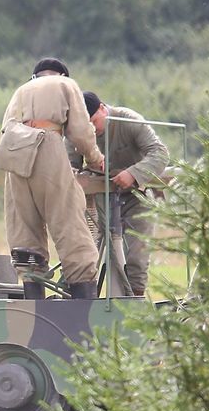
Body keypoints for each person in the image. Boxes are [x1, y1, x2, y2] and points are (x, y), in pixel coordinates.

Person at [0, 58, 105, 299]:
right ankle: (84, 306)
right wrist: (96, 159)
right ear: (61, 75)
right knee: (69, 222)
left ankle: (34, 305)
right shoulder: (66, 85)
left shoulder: (21, 91)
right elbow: (80, 131)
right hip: (47, 146)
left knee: (24, 231)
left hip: (13, 154)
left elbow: (5, 128)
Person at [73, 92, 170, 297]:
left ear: (102, 108)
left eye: (94, 122)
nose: (93, 129)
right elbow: (68, 166)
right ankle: (84, 300)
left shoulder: (128, 120)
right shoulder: (77, 132)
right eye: (86, 126)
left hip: (138, 196)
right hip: (101, 199)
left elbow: (160, 153)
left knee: (136, 255)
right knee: (88, 255)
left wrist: (133, 174)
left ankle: (134, 300)